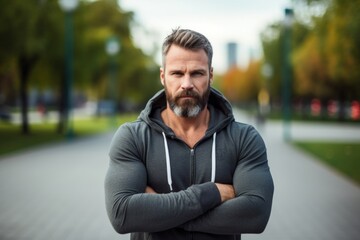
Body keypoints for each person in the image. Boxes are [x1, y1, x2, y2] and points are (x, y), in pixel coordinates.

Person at [105, 28, 274, 240]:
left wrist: (162, 216)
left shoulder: (244, 138)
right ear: (163, 76)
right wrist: (212, 193)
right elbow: (122, 214)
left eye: (197, 73)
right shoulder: (134, 137)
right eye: (177, 73)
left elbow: (255, 215)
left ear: (210, 75)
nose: (187, 84)